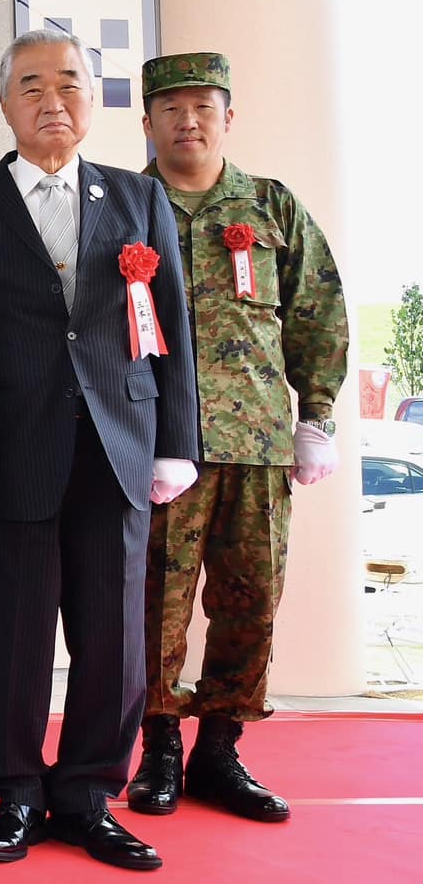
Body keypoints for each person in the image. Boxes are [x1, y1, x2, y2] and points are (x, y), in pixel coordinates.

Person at [0, 29, 199, 872]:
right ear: (5, 102)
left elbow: (172, 331)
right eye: (32, 84)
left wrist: (175, 443)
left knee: (115, 634)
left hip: (119, 442)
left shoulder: (137, 198)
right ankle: (14, 791)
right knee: (11, 630)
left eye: (71, 83)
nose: (54, 99)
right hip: (11, 447)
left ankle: (88, 794)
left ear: (94, 98)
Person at [127, 52, 347, 823]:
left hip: (255, 445)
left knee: (250, 604)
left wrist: (315, 415)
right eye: (172, 108)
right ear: (147, 120)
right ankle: (157, 748)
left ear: (229, 116)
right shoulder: (124, 203)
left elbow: (318, 312)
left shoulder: (270, 206)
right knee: (156, 607)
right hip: (157, 448)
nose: (189, 121)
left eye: (204, 106)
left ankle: (219, 750)